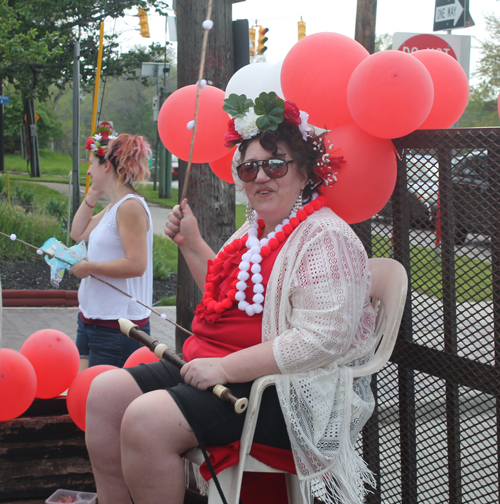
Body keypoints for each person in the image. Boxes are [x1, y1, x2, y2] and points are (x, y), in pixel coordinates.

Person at [84, 93, 377, 504]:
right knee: (106, 393)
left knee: (146, 421)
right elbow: (223, 296)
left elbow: (320, 340)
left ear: (306, 171)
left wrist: (223, 366)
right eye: (248, 167)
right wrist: (192, 244)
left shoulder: (325, 238)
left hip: (275, 393)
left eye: (275, 164)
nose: (260, 177)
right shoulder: (254, 230)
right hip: (212, 368)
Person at [69, 130, 153, 370]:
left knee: (102, 400)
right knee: (83, 393)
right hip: (91, 319)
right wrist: (92, 197)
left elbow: (136, 264)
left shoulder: (130, 207)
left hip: (117, 328)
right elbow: (78, 233)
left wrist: (88, 268)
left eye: (92, 164)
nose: (88, 171)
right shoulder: (115, 206)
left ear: (106, 165)